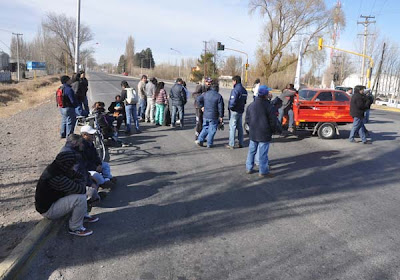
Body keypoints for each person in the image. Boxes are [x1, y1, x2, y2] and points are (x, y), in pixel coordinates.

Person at [35, 151, 97, 237]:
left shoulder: (60, 167)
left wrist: (78, 182)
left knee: (83, 192)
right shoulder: (55, 176)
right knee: (80, 197)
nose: (74, 166)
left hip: (56, 199)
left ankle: (82, 215)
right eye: (73, 164)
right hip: (48, 209)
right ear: (67, 164)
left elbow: (80, 177)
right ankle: (75, 228)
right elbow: (80, 189)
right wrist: (78, 183)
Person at [245, 86, 278, 177]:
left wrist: (252, 127)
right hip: (264, 133)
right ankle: (263, 171)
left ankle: (248, 168)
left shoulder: (251, 105)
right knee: (262, 153)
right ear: (266, 95)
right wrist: (273, 130)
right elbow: (273, 121)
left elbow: (247, 119)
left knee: (252, 151)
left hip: (253, 132)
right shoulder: (269, 106)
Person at [195, 81, 224, 148]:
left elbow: (198, 99)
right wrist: (221, 116)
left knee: (205, 128)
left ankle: (200, 140)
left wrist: (202, 106)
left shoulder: (205, 94)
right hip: (213, 115)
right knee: (212, 130)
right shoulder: (218, 96)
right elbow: (220, 108)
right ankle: (209, 143)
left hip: (205, 115)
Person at [226, 75, 248, 149]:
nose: (232, 83)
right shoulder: (244, 90)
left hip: (234, 110)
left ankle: (231, 144)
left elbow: (232, 101)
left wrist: (230, 107)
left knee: (232, 127)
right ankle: (241, 142)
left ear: (235, 81)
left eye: (232, 81)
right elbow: (245, 101)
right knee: (240, 127)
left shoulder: (235, 90)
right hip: (240, 110)